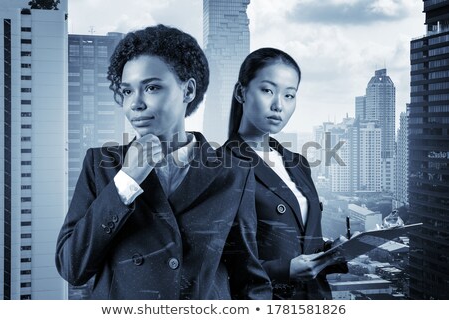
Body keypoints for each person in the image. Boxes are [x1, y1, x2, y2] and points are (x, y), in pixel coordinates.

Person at [55, 25, 271, 300]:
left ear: (188, 90)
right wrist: (126, 182)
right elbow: (72, 267)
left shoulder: (234, 174)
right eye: (127, 92)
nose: (135, 104)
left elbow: (249, 279)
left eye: (152, 87)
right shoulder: (101, 165)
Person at [223, 47, 347, 299]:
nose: (278, 105)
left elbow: (300, 243)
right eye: (267, 90)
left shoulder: (298, 163)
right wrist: (283, 270)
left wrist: (334, 250)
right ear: (241, 92)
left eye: (289, 95)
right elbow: (215, 261)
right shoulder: (220, 165)